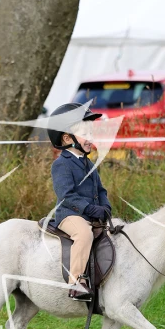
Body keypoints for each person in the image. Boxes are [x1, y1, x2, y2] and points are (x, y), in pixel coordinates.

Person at [46, 103, 112, 301]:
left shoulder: (89, 163)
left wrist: (105, 207)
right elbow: (66, 195)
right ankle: (76, 283)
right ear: (67, 138)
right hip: (70, 215)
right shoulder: (61, 164)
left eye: (91, 133)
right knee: (83, 234)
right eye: (85, 134)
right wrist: (89, 208)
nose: (90, 138)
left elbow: (101, 190)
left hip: (90, 214)